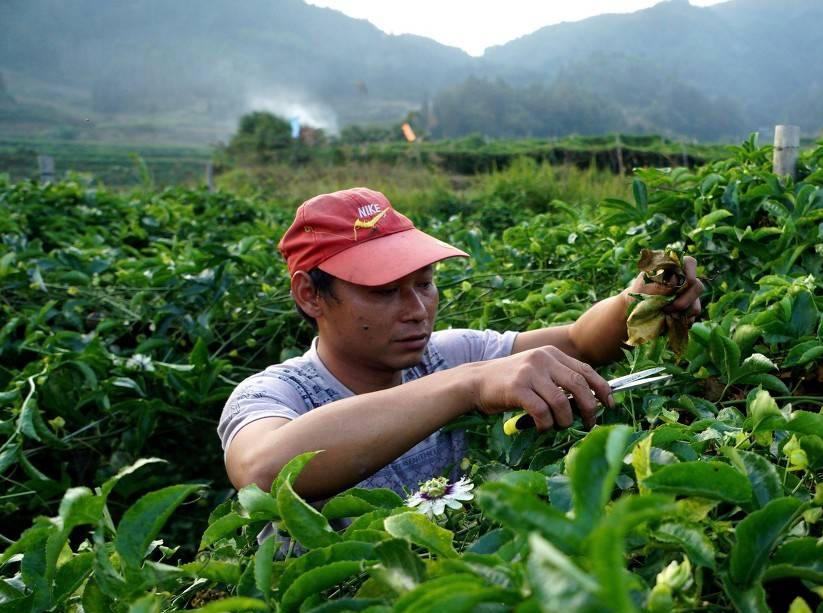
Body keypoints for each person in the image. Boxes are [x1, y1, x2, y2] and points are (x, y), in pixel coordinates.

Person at [217, 187, 703, 502]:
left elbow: (580, 341)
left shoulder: (446, 354)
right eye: (385, 292)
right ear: (310, 295)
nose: (416, 309)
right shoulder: (276, 394)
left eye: (424, 284)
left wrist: (641, 297)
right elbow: (263, 471)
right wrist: (468, 385)